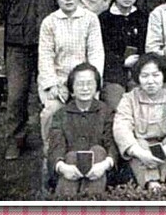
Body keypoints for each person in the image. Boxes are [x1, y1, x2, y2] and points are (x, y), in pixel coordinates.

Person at [0, 0, 65, 160]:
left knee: (50, 92)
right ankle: (16, 140)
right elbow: (2, 6)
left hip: (49, 44)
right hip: (19, 44)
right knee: (17, 95)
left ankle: (53, 140)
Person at [38, 0, 105, 155]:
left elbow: (96, 53)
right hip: (59, 80)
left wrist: (94, 83)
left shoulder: (90, 19)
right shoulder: (49, 22)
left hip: (85, 80)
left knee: (90, 111)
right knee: (51, 111)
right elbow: (45, 56)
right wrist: (52, 85)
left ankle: (87, 153)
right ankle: (50, 153)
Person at [113, 53, 166, 191]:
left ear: (164, 76)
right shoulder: (128, 99)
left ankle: (156, 183)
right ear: (138, 78)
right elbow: (121, 128)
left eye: (156, 75)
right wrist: (140, 152)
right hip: (139, 156)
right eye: (145, 76)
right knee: (141, 143)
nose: (150, 81)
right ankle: (154, 183)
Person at [48, 63, 118, 196]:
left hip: (100, 169)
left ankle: (92, 200)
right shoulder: (61, 114)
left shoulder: (107, 112)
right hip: (69, 169)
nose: (85, 88)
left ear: (96, 87)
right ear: (72, 90)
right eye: (80, 84)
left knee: (98, 151)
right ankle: (67, 201)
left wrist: (104, 165)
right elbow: (56, 145)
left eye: (89, 84)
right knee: (71, 156)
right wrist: (63, 167)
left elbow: (112, 144)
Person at [98, 0, 148, 109]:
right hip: (113, 74)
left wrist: (138, 62)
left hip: (139, 72)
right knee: (117, 106)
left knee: (141, 104)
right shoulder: (104, 19)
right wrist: (122, 62)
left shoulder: (142, 18)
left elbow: (147, 47)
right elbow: (101, 51)